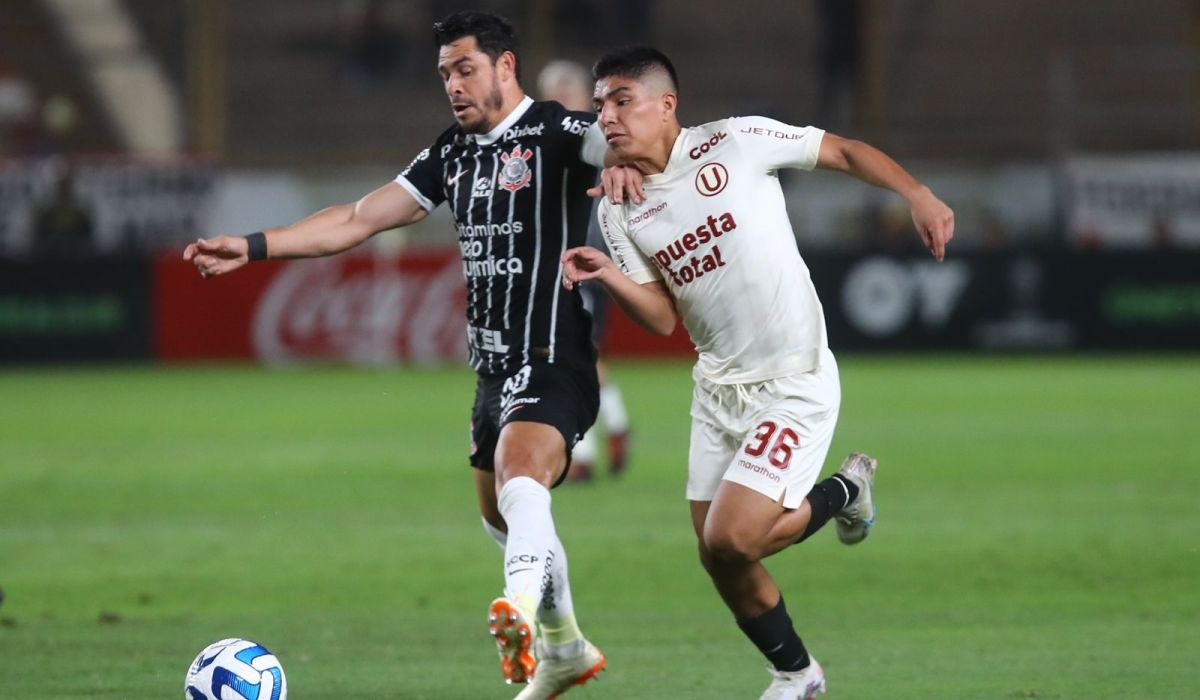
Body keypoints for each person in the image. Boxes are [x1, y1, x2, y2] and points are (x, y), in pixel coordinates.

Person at [185, 12, 637, 699]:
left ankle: (516, 614)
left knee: (522, 485)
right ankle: (566, 647)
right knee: (503, 517)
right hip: (490, 371)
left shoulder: (558, 131)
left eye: (465, 70)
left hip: (554, 357)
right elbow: (359, 218)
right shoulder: (450, 154)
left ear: (505, 67)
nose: (452, 86)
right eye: (444, 75)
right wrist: (252, 246)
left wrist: (633, 164)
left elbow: (640, 144)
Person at [562, 46, 954, 699]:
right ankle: (797, 674)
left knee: (733, 535)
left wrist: (916, 193)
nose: (607, 115)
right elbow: (661, 317)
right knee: (716, 554)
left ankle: (842, 492)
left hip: (792, 378)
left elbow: (844, 152)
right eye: (601, 104)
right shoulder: (618, 208)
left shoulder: (736, 143)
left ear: (667, 105)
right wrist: (608, 275)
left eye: (621, 100)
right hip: (717, 387)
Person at [537, 59, 632, 481]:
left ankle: (585, 454)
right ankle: (614, 424)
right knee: (583, 353)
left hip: (590, 258)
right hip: (566, 259)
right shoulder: (547, 139)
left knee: (572, 352)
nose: (558, 104)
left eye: (566, 95)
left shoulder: (599, 140)